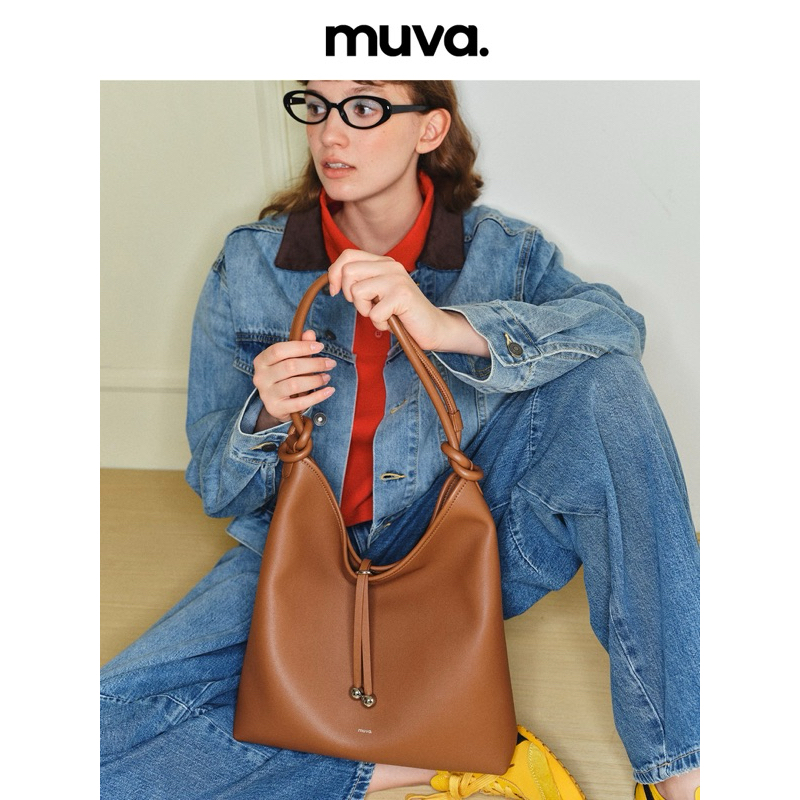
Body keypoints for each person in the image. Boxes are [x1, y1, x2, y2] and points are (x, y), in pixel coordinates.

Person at [100, 80, 700, 800]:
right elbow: (215, 489)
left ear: (430, 129)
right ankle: (421, 761)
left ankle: (685, 770)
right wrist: (261, 416)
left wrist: (452, 328)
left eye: (364, 108)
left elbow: (616, 327)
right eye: (315, 106)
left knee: (606, 387)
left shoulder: (503, 253)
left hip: (460, 550)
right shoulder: (251, 264)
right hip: (296, 563)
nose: (330, 133)